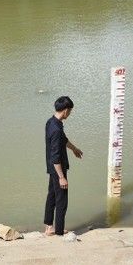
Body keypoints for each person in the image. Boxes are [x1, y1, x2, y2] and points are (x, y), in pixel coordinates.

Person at [44, 96, 83, 236]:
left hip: (52, 168)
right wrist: (62, 177)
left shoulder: (51, 122)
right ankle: (59, 231)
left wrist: (74, 149)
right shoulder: (56, 129)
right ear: (66, 110)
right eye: (70, 111)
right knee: (62, 201)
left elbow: (63, 140)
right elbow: (55, 157)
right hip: (57, 168)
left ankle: (49, 227)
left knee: (52, 196)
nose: (70, 114)